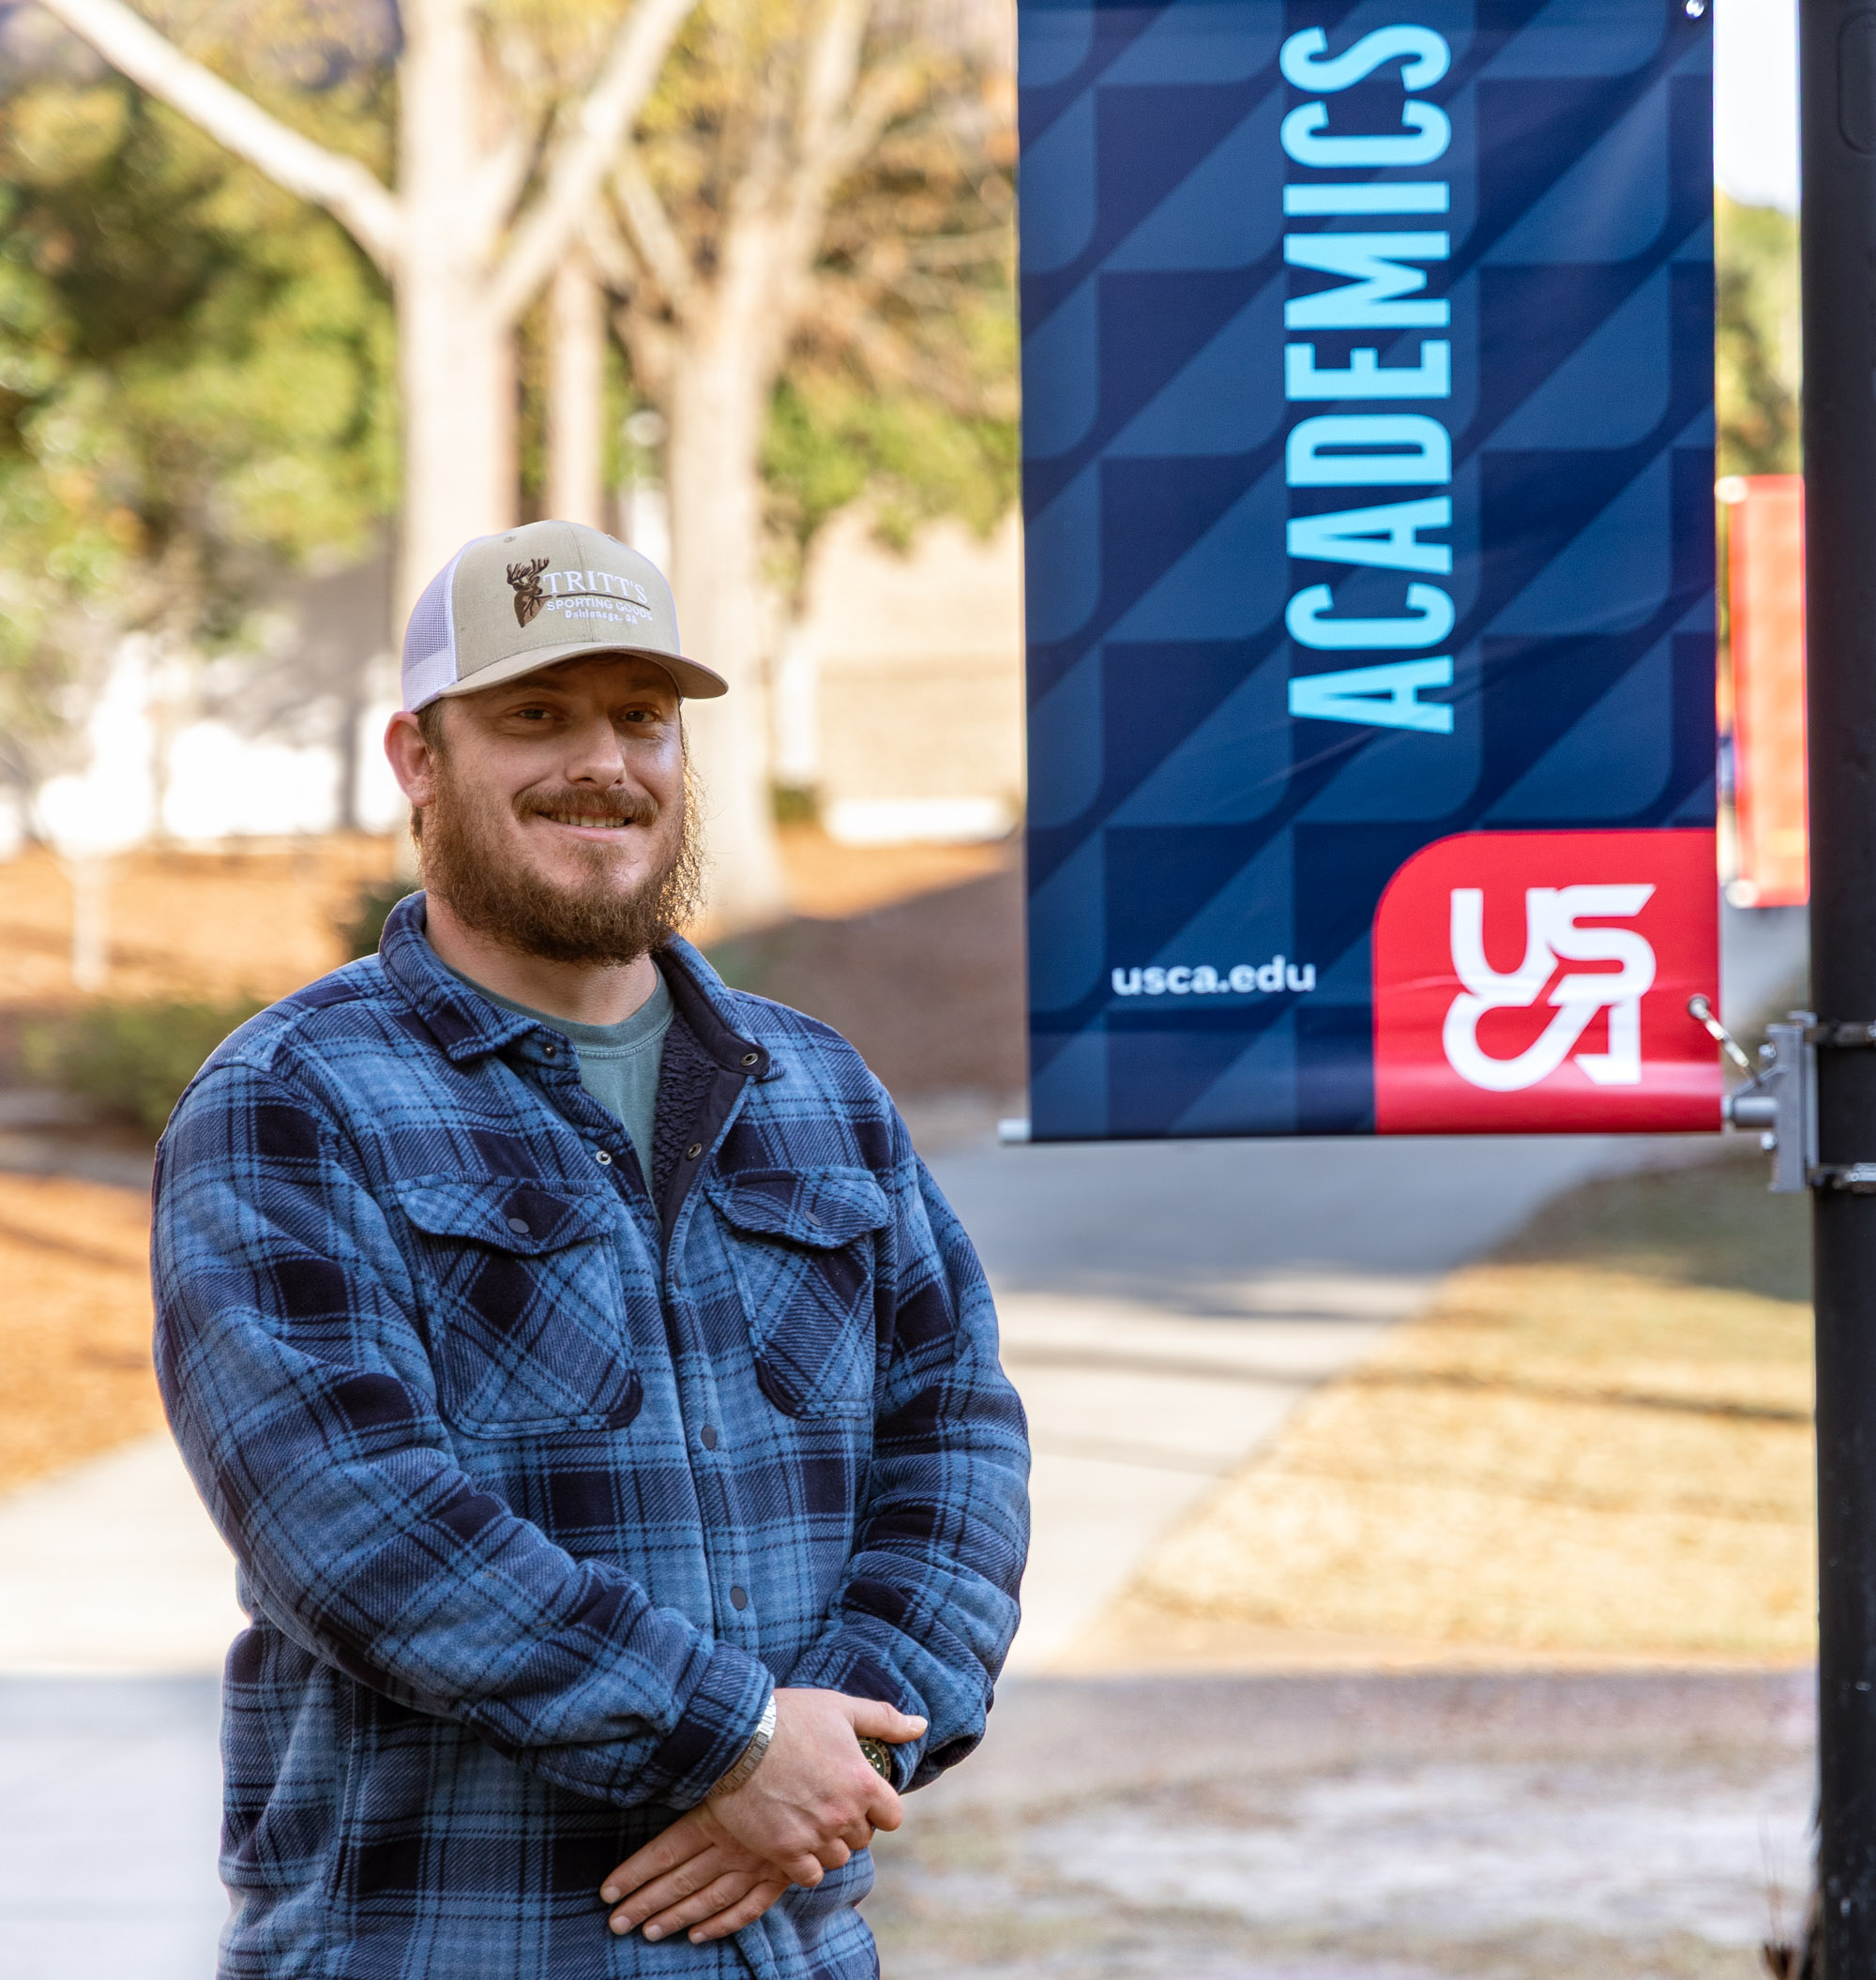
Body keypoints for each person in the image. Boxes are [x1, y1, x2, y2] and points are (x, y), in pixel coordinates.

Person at [151, 519, 1032, 1978]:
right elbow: (351, 1521)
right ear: (418, 758)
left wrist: (847, 1742)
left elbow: (958, 1437)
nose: (603, 762)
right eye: (535, 717)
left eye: (641, 716)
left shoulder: (815, 1089)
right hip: (445, 1947)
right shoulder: (292, 1100)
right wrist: (734, 1743)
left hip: (791, 1949)